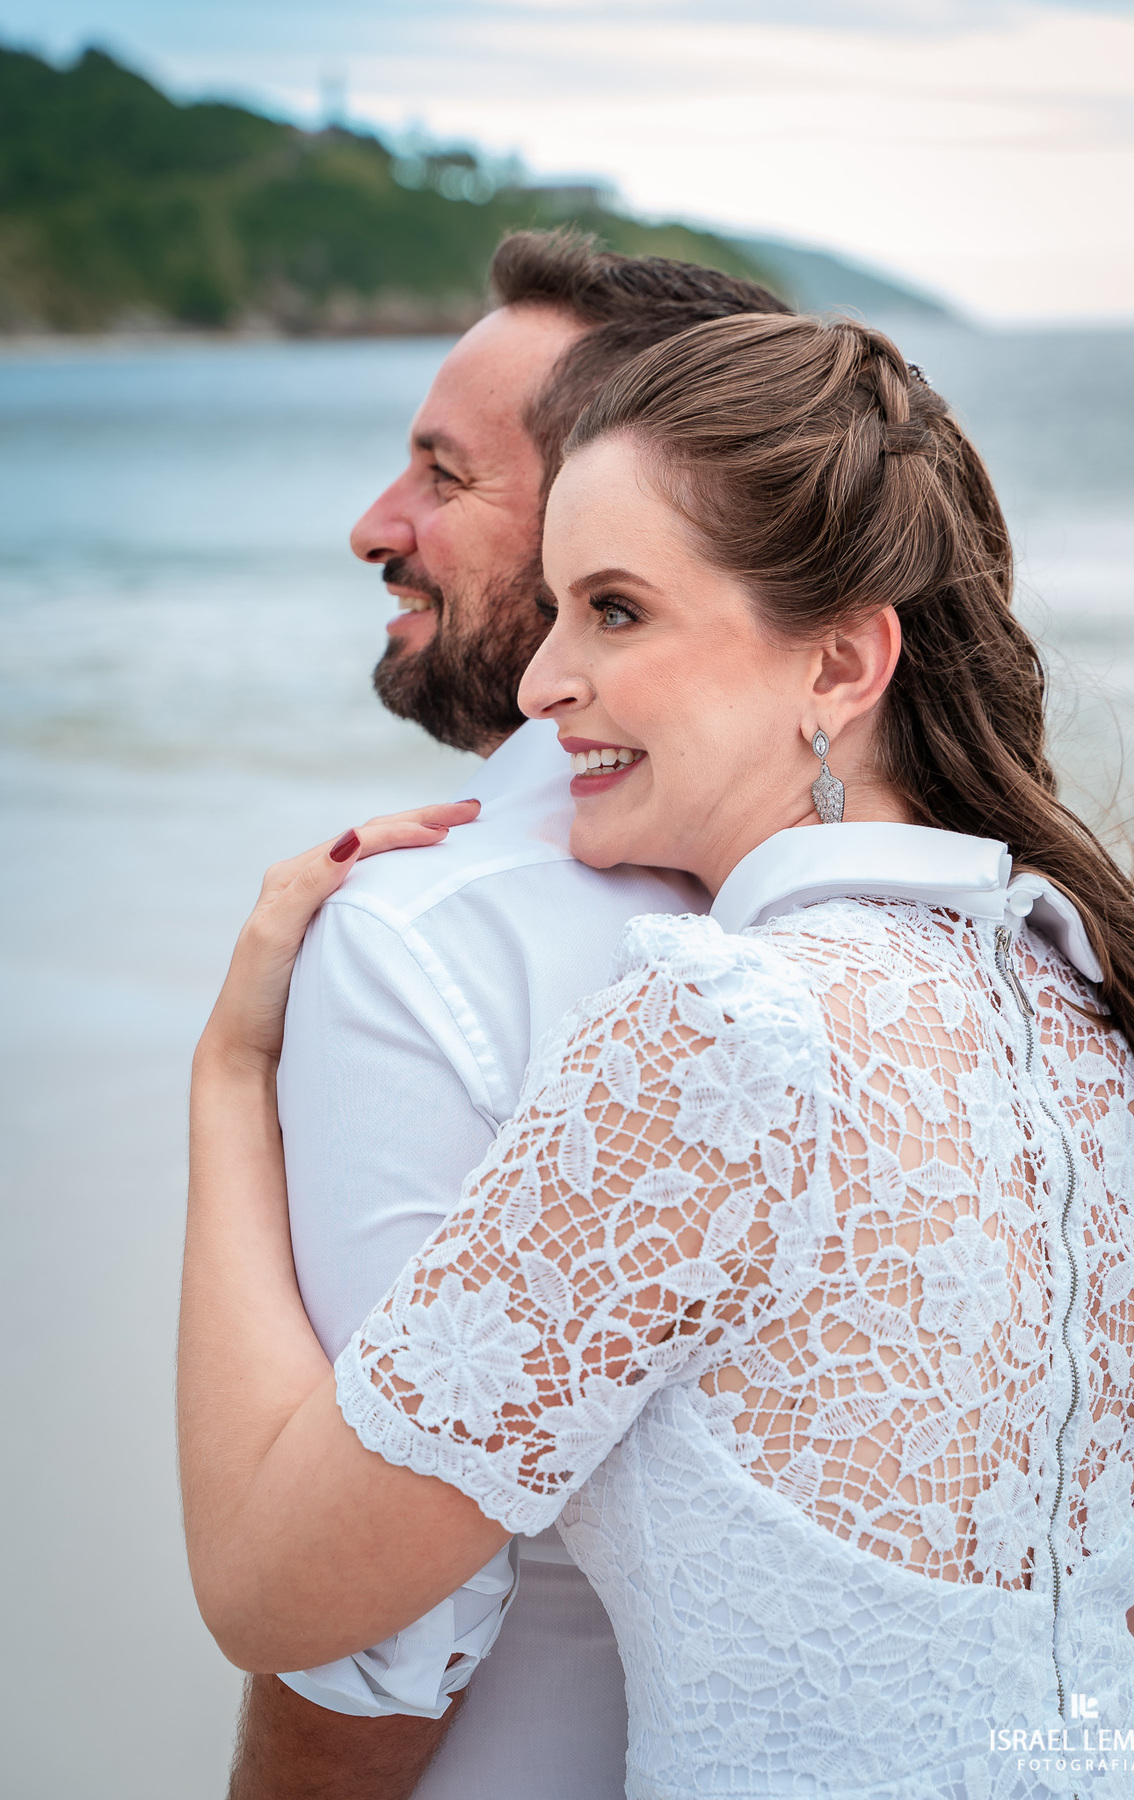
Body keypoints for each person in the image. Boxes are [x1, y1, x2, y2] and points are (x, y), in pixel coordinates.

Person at [181, 312, 1134, 1796]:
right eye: (553, 609)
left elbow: (275, 1593)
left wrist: (228, 1082)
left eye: (615, 612)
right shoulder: (1111, 1028)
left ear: (841, 662)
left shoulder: (725, 1035)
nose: (539, 684)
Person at [228, 231, 794, 1800]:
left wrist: (228, 1070)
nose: (375, 525)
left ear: (621, 513)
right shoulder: (1003, 947)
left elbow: (369, 1636)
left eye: (443, 475)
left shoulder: (417, 940)